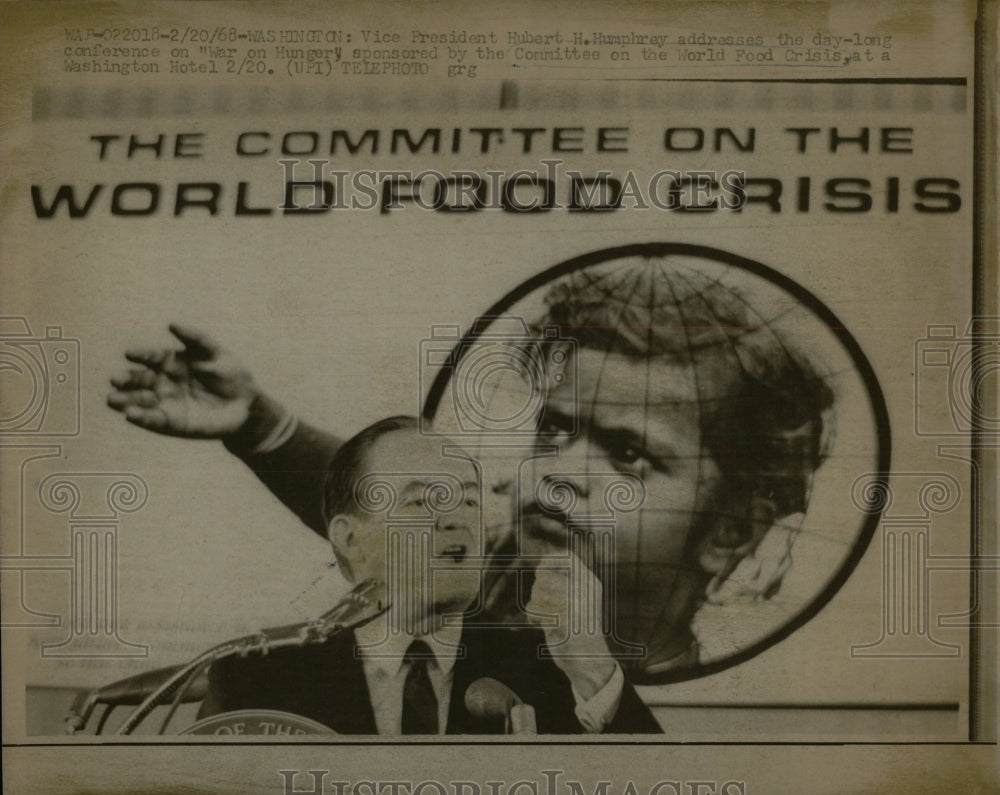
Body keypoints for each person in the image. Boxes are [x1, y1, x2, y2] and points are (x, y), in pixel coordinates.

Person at [108, 256, 835, 681]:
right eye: (554, 429)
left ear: (732, 530)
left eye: (628, 452)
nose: (561, 472)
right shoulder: (507, 579)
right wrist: (261, 425)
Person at [194, 416, 659, 733]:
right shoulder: (258, 677)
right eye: (420, 501)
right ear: (349, 538)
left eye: (470, 500)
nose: (456, 519)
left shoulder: (549, 669)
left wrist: (592, 667)